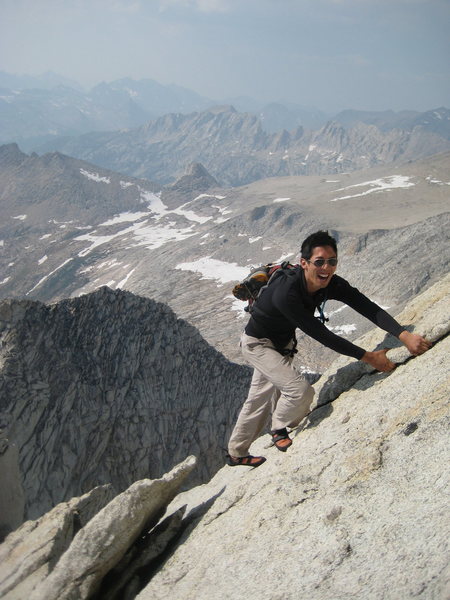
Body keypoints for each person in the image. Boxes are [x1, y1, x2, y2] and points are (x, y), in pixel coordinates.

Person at [226, 230, 431, 467]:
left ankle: (236, 452)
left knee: (258, 397)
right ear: (304, 263)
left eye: (332, 261)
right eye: (319, 262)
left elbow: (366, 306)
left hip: (282, 344)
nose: (326, 267)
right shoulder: (286, 293)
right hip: (257, 343)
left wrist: (404, 335)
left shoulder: (331, 283)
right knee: (300, 391)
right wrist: (369, 358)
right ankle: (278, 428)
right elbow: (320, 334)